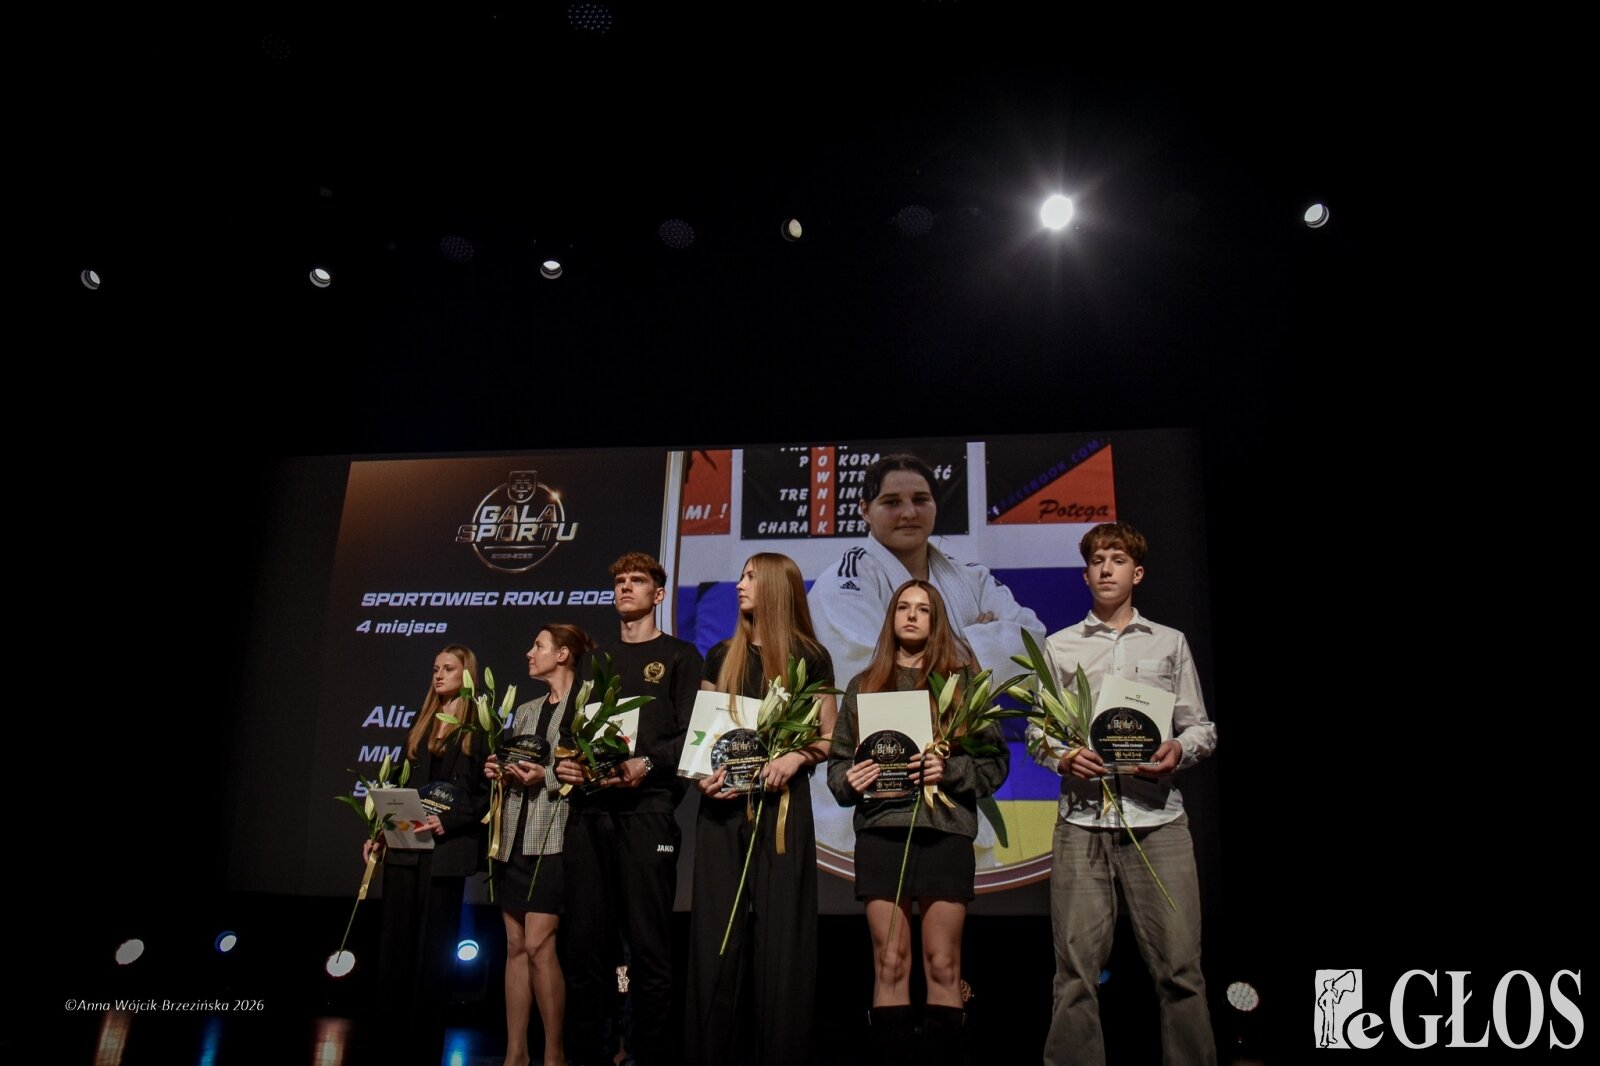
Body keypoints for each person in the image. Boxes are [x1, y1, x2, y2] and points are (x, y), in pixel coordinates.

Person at [1026, 522, 1218, 1066]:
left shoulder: (1168, 642)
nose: (1106, 568)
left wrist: (1179, 749)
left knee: (1180, 971)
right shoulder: (1060, 646)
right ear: (1085, 575)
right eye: (1096, 560)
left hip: (1158, 822)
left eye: (1117, 559)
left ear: (1137, 573)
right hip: (1082, 823)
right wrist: (1064, 756)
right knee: (1075, 974)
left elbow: (1201, 728)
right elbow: (1039, 732)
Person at [807, 453, 1043, 855]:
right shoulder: (844, 580)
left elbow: (1032, 641)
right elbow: (875, 676)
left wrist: (938, 647)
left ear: (935, 504)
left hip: (952, 789)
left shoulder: (967, 576)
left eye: (921, 499)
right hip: (871, 798)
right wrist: (973, 640)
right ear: (864, 510)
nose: (908, 513)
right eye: (891, 502)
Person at [827, 580, 1009, 1063]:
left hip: (944, 833)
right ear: (890, 617)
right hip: (881, 832)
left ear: (937, 620)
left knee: (943, 963)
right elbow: (838, 769)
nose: (911, 616)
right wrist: (853, 778)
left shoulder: (964, 684)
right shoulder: (864, 685)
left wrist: (947, 770)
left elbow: (994, 765)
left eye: (923, 609)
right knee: (890, 962)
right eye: (903, 607)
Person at [687, 552, 837, 1066]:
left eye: (750, 576)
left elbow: (829, 738)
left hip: (781, 813)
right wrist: (703, 779)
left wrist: (796, 757)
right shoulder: (720, 655)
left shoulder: (810, 658)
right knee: (716, 939)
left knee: (783, 943)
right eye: (741, 575)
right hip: (722, 812)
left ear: (775, 586)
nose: (739, 584)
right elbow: (702, 742)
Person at [553, 553, 702, 1066]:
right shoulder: (595, 661)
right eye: (619, 581)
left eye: (637, 581)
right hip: (590, 814)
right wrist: (567, 764)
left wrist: (648, 763)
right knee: (584, 949)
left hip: (648, 812)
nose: (626, 587)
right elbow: (570, 732)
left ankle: (648, 1055)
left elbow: (693, 734)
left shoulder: (681, 656)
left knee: (649, 948)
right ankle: (585, 1055)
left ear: (658, 595)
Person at [368, 644, 491, 1060]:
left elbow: (487, 796)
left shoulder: (479, 730)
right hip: (405, 848)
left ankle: (423, 1048)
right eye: (436, 668)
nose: (438, 674)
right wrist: (378, 833)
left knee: (432, 953)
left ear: (466, 675)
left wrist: (450, 819)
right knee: (395, 950)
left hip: (446, 852)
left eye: (448, 668)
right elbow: (398, 787)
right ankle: (388, 1045)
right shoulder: (419, 726)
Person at [486, 624, 597, 1066]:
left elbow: (593, 766)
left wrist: (546, 776)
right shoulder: (527, 710)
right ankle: (515, 1053)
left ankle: (554, 1053)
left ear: (563, 654)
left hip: (555, 836)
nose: (529, 653)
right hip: (515, 834)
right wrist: (500, 769)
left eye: (539, 646)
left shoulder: (589, 703)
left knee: (538, 944)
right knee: (514, 946)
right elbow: (518, 762)